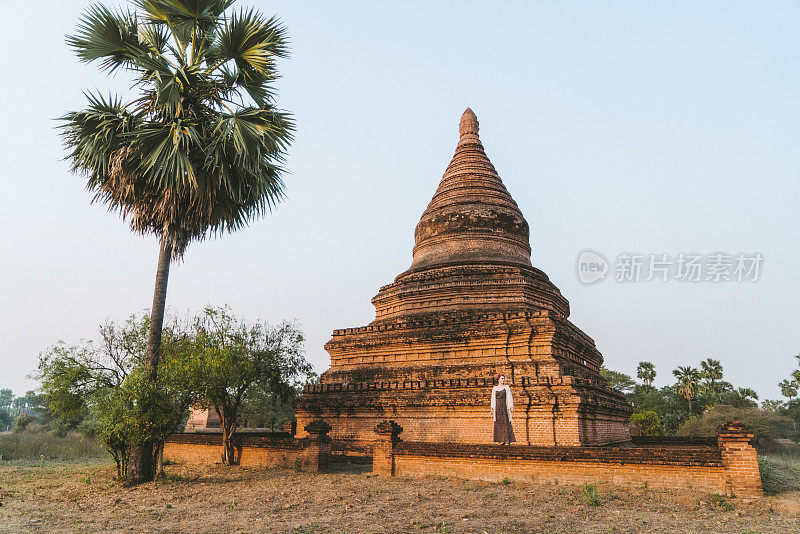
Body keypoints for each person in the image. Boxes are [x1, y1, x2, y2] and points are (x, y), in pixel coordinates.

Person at [491, 374, 516, 445]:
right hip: (497, 407)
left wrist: (511, 406)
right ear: (498, 379)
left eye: (504, 378)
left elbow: (509, 397)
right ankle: (501, 440)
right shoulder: (495, 388)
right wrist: (492, 408)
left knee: (505, 422)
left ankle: (507, 439)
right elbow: (493, 399)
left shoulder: (506, 387)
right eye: (502, 378)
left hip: (504, 406)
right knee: (499, 423)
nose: (503, 380)